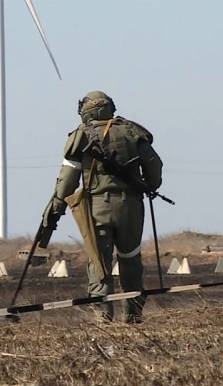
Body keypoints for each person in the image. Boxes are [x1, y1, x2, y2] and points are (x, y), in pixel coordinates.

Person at [43, 91, 163, 323]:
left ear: (85, 112)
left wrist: (56, 207)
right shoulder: (132, 131)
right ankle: (133, 315)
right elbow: (154, 166)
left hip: (96, 208)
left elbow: (67, 181)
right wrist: (149, 185)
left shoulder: (81, 136)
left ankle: (103, 317)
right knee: (130, 258)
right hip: (130, 207)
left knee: (99, 261)